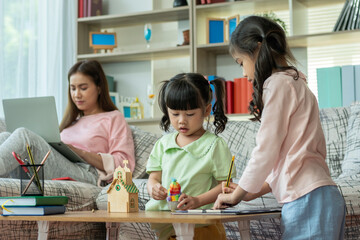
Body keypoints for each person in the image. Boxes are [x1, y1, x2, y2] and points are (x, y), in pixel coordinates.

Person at [213, 16, 346, 239]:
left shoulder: (276, 85)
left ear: (257, 49)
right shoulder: (296, 82)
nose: (244, 74)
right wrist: (246, 191)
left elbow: (266, 150)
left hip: (307, 200)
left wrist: (237, 195)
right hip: (320, 195)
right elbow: (285, 163)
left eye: (241, 63)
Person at [0, 60, 135, 186]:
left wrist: (81, 153)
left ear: (99, 88)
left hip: (88, 173)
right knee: (5, 136)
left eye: (83, 88)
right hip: (58, 164)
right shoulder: (70, 123)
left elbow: (125, 165)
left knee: (24, 136)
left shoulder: (113, 118)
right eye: (73, 88)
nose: (77, 94)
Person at [145, 73, 236, 240]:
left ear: (206, 110)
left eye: (190, 114)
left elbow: (226, 185)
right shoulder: (163, 144)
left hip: (202, 225)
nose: (181, 121)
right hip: (166, 225)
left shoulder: (214, 145)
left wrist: (197, 201)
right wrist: (153, 188)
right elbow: (153, 178)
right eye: (175, 114)